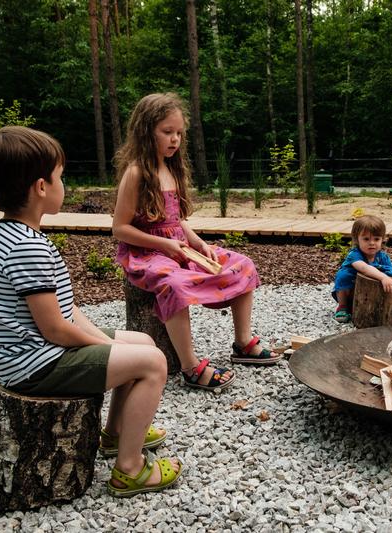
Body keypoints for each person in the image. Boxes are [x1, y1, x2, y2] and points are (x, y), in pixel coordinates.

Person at [0, 126, 182, 498]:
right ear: (40, 187)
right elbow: (56, 329)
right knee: (153, 363)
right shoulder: (27, 249)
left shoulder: (11, 235)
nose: (62, 184)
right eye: (60, 176)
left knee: (143, 341)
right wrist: (104, 346)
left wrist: (106, 343)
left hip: (36, 352)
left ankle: (116, 434)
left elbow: (67, 310)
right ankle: (130, 470)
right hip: (35, 366)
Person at [112, 92, 282, 392]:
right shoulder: (136, 173)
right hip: (147, 253)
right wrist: (164, 245)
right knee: (175, 286)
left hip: (178, 246)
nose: (175, 139)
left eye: (179, 133)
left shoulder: (171, 168)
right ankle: (190, 367)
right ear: (145, 131)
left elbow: (176, 222)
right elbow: (120, 229)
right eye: (167, 132)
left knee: (242, 264)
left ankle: (242, 342)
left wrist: (200, 244)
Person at [332, 214, 392, 324]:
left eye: (376, 239)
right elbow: (364, 268)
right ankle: (342, 306)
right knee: (343, 275)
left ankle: (389, 307)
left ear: (382, 239)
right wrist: (383, 277)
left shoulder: (383, 257)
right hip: (351, 291)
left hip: (371, 297)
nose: (372, 243)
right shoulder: (354, 255)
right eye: (366, 239)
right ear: (357, 239)